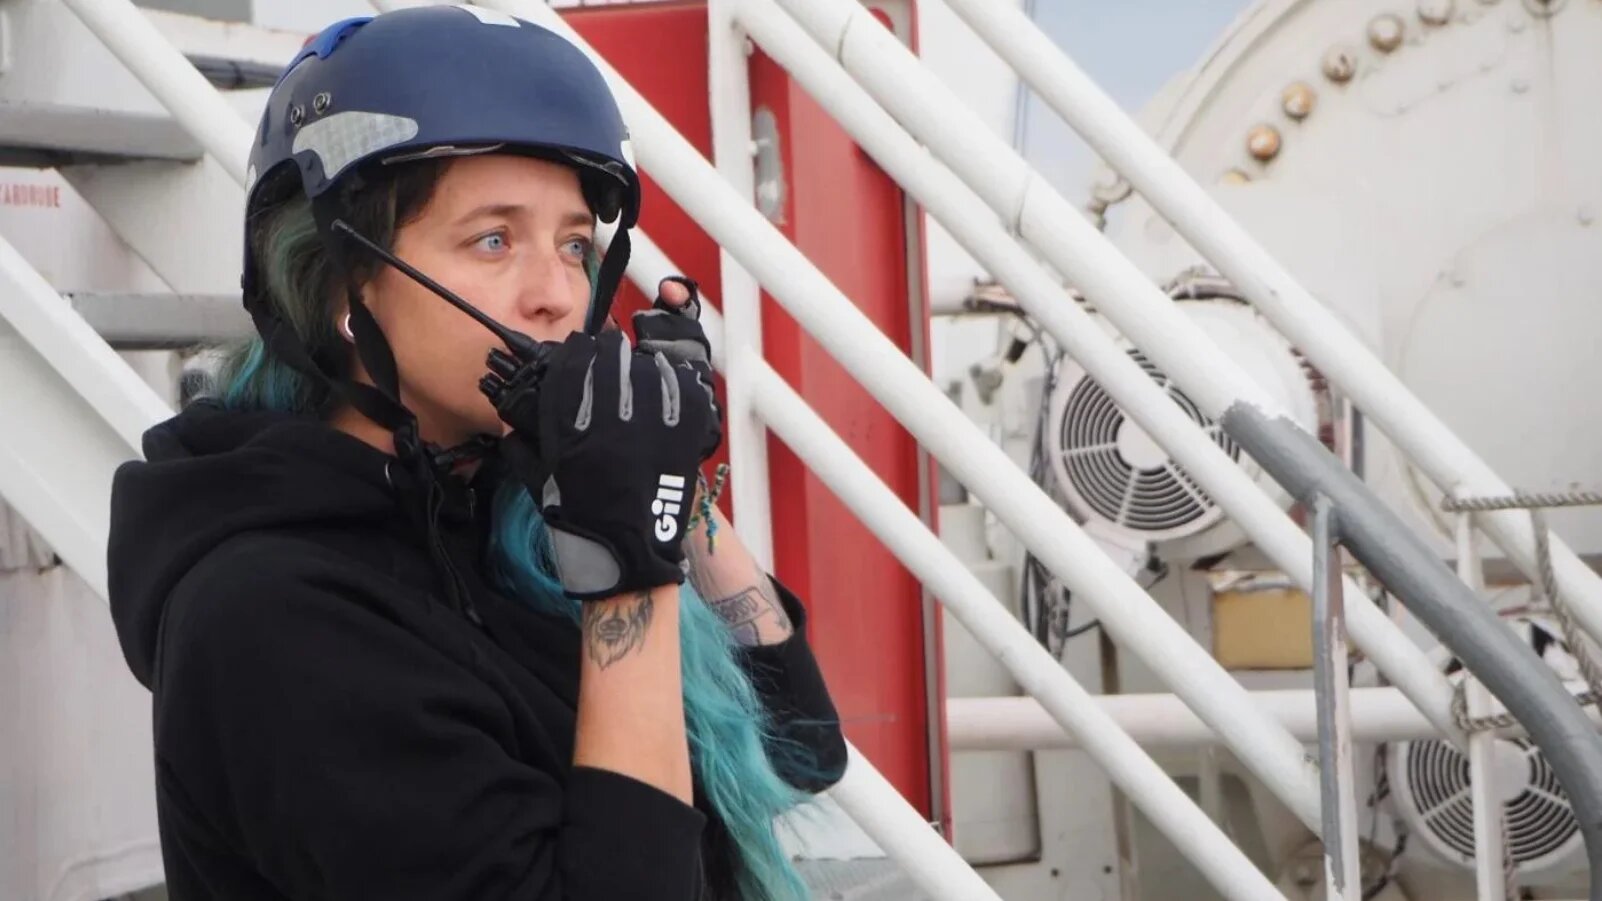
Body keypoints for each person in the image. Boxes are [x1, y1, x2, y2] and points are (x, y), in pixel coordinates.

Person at [105, 7, 847, 900]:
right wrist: (625, 573)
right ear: (344, 289)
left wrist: (674, 490)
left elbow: (798, 745)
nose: (555, 295)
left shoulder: (508, 504)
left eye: (574, 244)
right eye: (493, 239)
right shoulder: (270, 617)